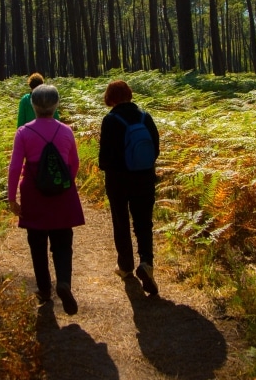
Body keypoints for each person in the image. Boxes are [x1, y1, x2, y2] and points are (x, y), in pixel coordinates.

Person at [8, 84, 84, 315]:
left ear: (33, 105)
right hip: (62, 194)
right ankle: (64, 282)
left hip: (33, 194)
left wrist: (12, 198)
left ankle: (44, 290)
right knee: (63, 241)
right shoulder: (66, 131)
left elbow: (14, 168)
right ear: (56, 104)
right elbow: (75, 163)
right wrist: (63, 183)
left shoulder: (23, 132)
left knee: (37, 242)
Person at [98, 80, 160, 295]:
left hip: (118, 181)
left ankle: (125, 266)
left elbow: (104, 158)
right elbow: (156, 149)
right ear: (129, 95)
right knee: (144, 223)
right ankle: (146, 263)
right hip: (144, 178)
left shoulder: (110, 120)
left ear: (110, 98)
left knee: (121, 221)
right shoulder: (145, 117)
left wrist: (108, 166)